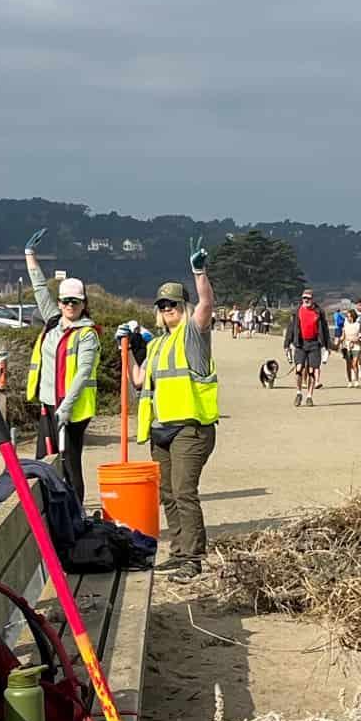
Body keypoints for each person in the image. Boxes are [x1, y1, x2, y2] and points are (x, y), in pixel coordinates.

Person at [136, 242, 219, 575]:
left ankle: (194, 558)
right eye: (162, 304)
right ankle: (179, 549)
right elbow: (140, 381)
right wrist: (127, 349)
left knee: (185, 491)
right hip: (161, 429)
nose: (167, 308)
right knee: (168, 493)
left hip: (191, 427)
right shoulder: (155, 344)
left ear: (182, 306)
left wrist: (199, 272)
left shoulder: (193, 335)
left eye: (173, 303)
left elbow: (207, 304)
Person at [21, 237, 99, 500]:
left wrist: (66, 407)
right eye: (65, 301)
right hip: (48, 402)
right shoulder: (53, 321)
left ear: (83, 304)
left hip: (73, 408)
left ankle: (75, 512)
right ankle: (47, 510)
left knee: (69, 461)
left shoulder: (87, 334)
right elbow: (40, 289)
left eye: (74, 302)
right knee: (43, 460)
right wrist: (30, 255)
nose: (69, 306)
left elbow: (83, 372)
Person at [288, 287, 332, 406]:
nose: (306, 300)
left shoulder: (319, 312)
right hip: (300, 343)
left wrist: (328, 346)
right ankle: (298, 393)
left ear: (312, 299)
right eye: (304, 298)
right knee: (298, 369)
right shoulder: (297, 311)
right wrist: (287, 344)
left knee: (312, 371)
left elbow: (325, 329)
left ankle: (309, 396)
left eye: (308, 298)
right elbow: (291, 328)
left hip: (314, 344)